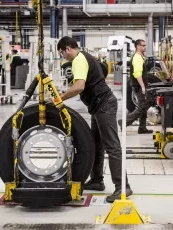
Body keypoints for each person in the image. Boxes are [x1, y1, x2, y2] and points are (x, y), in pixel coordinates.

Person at [57, 36, 133, 203]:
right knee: (95, 145)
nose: (63, 56)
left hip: (104, 106)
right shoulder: (85, 56)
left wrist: (60, 98)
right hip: (99, 106)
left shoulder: (78, 59)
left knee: (112, 147)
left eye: (62, 53)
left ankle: (123, 186)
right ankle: (97, 180)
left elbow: (79, 86)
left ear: (67, 49)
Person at [118, 39, 153, 134]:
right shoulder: (137, 58)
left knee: (144, 106)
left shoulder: (140, 57)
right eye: (143, 45)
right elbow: (137, 74)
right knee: (142, 107)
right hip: (138, 86)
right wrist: (142, 86)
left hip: (139, 85)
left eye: (145, 45)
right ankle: (123, 122)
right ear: (137, 46)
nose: (144, 47)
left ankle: (142, 128)